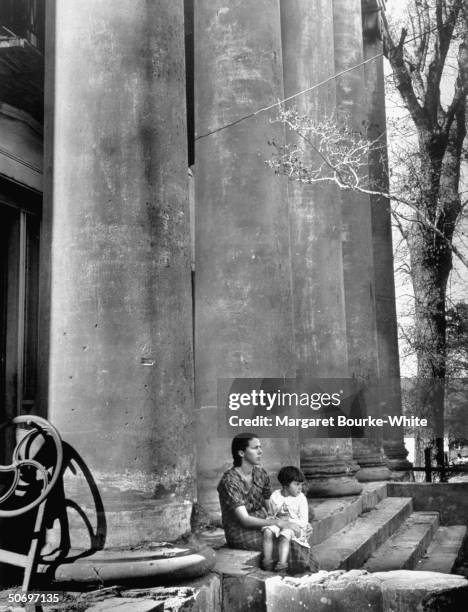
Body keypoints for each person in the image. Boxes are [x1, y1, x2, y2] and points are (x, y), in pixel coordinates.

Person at [217, 433, 316, 573]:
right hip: (240, 531)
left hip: (265, 521)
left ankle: (302, 576)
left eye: (260, 447)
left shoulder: (260, 474)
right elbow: (245, 520)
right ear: (241, 453)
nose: (260, 451)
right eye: (255, 448)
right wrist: (279, 523)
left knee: (293, 532)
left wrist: (301, 524)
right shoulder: (230, 481)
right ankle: (294, 577)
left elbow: (271, 508)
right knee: (287, 541)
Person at [262, 465, 310, 571]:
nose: (300, 488)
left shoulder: (301, 499)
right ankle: (267, 561)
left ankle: (282, 564)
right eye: (296, 484)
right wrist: (274, 520)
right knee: (268, 531)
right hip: (279, 523)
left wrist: (288, 521)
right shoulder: (275, 496)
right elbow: (271, 515)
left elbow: (303, 522)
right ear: (285, 485)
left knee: (285, 534)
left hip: (295, 528)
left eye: (301, 484)